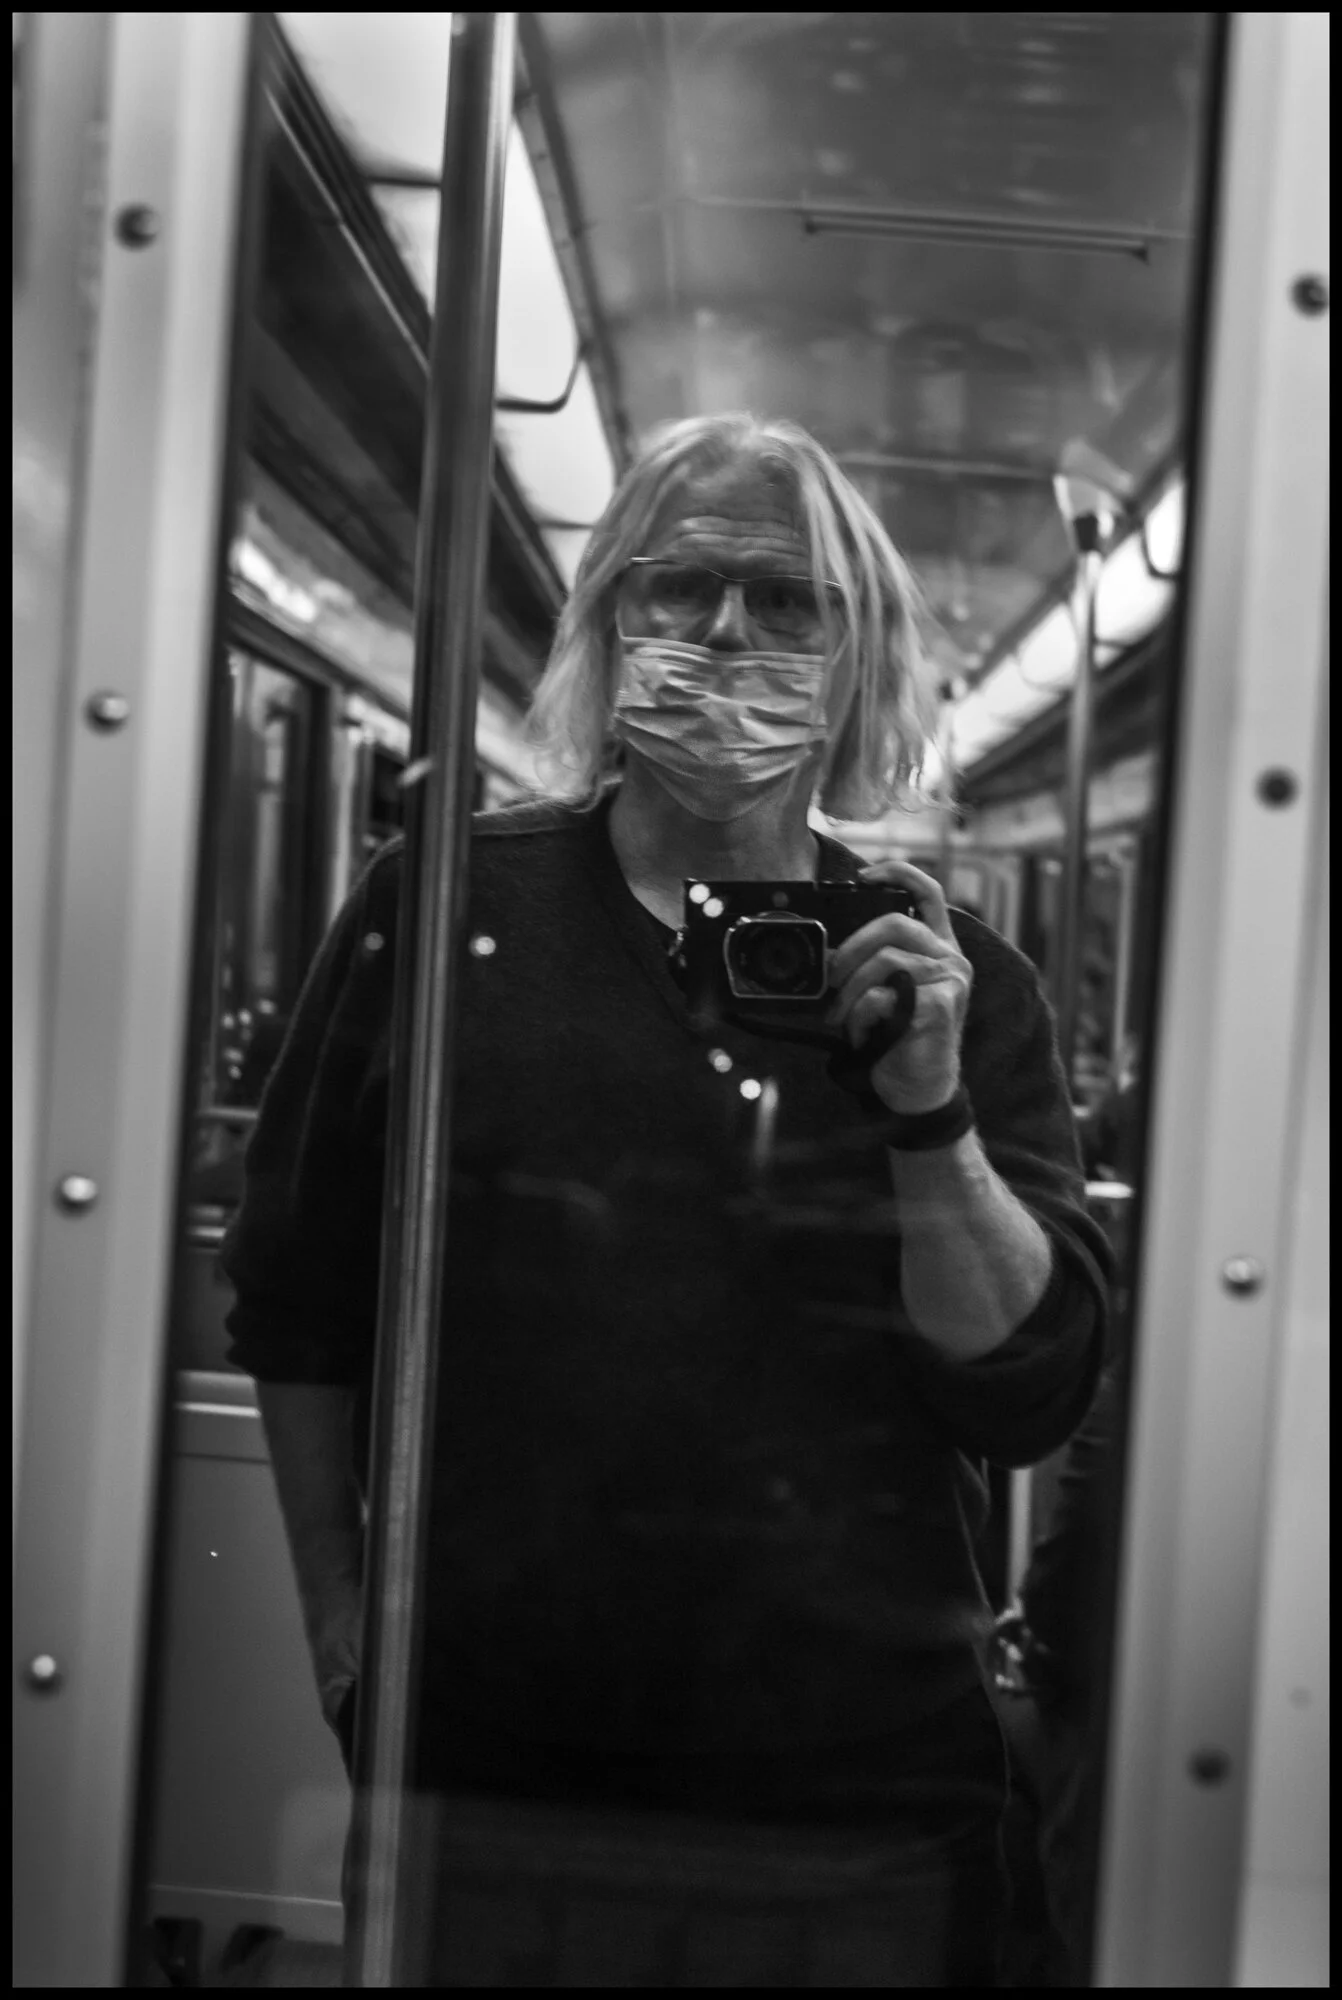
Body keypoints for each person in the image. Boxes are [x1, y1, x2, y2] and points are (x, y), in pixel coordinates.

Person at [222, 412, 1112, 1986]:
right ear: (604, 623)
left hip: (855, 1783)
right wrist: (340, 1613)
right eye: (676, 585)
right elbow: (297, 1285)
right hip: (487, 1757)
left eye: (788, 603)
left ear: (859, 658)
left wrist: (929, 1107)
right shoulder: (444, 900)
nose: (725, 632)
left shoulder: (955, 975)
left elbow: (1020, 1391)